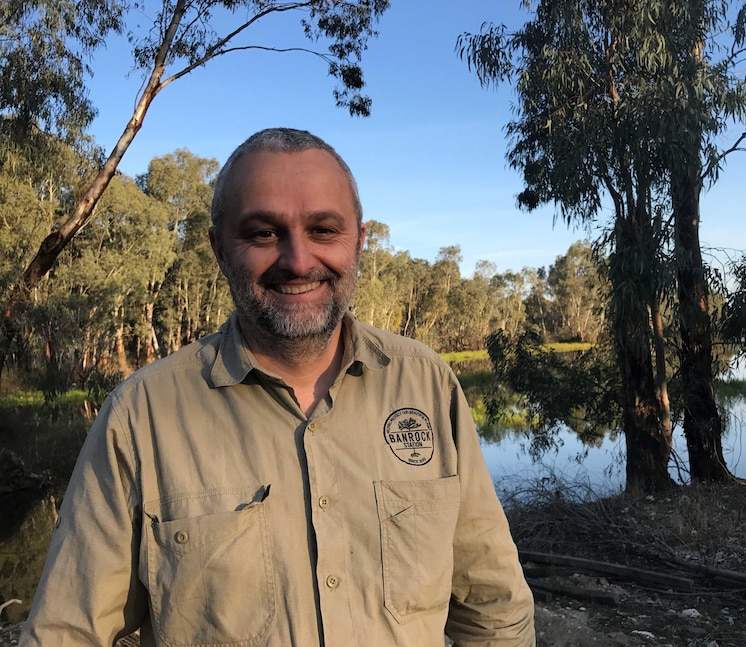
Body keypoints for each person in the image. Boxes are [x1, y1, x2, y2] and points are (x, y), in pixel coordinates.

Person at [20, 128, 536, 646]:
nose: (297, 260)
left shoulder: (427, 384)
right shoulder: (140, 417)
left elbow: (493, 609)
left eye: (323, 230)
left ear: (359, 240)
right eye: (264, 233)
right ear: (220, 250)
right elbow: (65, 632)